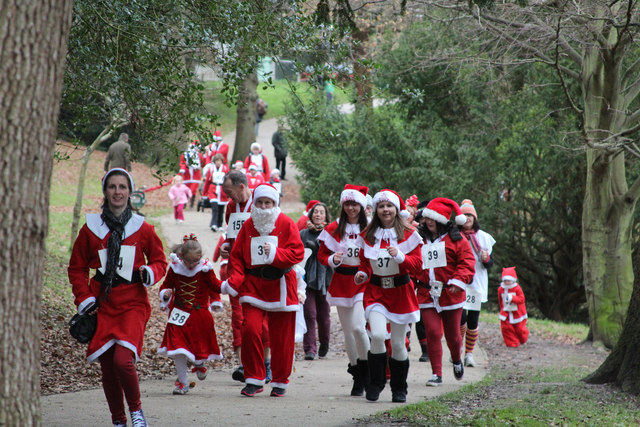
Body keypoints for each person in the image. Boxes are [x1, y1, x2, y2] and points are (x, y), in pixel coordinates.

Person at [68, 168, 167, 427]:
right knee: (108, 367)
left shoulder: (142, 227)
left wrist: (150, 272)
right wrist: (84, 298)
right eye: (112, 187)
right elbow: (77, 268)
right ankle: (118, 419)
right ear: (105, 191)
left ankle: (136, 412)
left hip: (133, 302)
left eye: (122, 187)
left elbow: (159, 261)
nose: (117, 192)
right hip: (101, 303)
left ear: (130, 192)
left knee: (124, 361)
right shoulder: (91, 228)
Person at [221, 183, 305, 397]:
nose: (264, 206)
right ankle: (254, 378)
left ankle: (279, 380)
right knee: (250, 329)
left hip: (281, 286)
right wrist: (235, 280)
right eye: (260, 202)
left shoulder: (286, 223)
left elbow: (297, 253)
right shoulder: (248, 225)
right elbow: (237, 256)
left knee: (281, 338)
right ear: (255, 204)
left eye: (268, 202)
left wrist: (276, 254)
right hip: (253, 287)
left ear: (275, 203)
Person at [354, 189, 423, 403]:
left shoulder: (409, 233)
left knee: (398, 343)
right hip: (376, 292)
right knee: (376, 335)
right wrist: (362, 273)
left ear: (396, 209)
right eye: (381, 206)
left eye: (389, 206)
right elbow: (365, 262)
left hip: (401, 292)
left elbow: (418, 265)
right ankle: (376, 382)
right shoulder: (368, 234)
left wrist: (401, 256)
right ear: (376, 210)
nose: (385, 210)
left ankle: (399, 388)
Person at [317, 184, 371, 396]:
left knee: (359, 327)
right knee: (348, 332)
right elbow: (322, 255)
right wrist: (332, 259)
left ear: (362, 205)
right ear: (342, 205)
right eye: (347, 203)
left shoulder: (371, 229)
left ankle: (368, 371)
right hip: (342, 281)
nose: (351, 208)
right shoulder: (333, 228)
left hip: (364, 281)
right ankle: (357, 376)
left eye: (355, 203)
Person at [415, 198, 475, 387]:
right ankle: (436, 373)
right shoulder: (419, 238)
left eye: (434, 218)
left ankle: (457, 360)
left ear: (443, 220)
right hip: (427, 294)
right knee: (432, 333)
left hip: (451, 294)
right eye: (427, 218)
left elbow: (467, 263)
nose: (429, 222)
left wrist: (458, 280)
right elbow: (412, 261)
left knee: (453, 337)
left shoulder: (457, 240)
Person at [220, 171, 271, 384]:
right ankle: (244, 364)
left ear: (242, 187)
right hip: (236, 269)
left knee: (262, 319)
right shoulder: (231, 207)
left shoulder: (261, 203)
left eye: (230, 192)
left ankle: (266, 363)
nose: (229, 198)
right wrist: (225, 246)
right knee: (238, 317)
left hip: (259, 271)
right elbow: (231, 236)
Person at [158, 235, 223, 395]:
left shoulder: (205, 270)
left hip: (199, 314)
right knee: (177, 348)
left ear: (200, 258)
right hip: (179, 313)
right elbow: (167, 285)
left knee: (197, 347)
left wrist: (231, 284)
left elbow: (215, 286)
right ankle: (182, 382)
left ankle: (199, 363)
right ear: (181, 257)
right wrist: (165, 294)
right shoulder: (175, 268)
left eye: (196, 261)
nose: (192, 265)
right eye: (188, 262)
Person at [458, 199, 495, 367]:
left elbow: (490, 264)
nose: (467, 218)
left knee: (473, 320)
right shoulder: (454, 236)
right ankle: (457, 349)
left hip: (477, 283)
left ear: (474, 218)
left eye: (469, 215)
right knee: (460, 318)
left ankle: (469, 354)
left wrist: (487, 260)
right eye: (464, 215)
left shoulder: (484, 238)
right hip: (459, 281)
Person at [300, 202, 333, 360]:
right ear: (311, 214)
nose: (318, 215)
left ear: (326, 216)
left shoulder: (331, 233)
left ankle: (324, 342)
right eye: (315, 212)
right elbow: (297, 254)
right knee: (310, 315)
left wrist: (320, 249)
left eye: (321, 212)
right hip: (307, 280)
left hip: (326, 280)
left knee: (324, 317)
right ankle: (309, 349)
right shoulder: (303, 233)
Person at [498, 267, 529, 347]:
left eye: (509, 281)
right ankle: (511, 343)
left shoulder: (517, 288)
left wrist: (512, 298)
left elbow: (522, 299)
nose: (507, 283)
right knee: (506, 328)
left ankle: (523, 339)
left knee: (520, 329)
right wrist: (502, 309)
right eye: (505, 281)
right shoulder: (500, 289)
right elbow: (500, 300)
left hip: (517, 313)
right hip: (506, 312)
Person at [202, 154, 229, 231]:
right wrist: (204, 193)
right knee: (215, 207)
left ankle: (219, 224)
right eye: (217, 161)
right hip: (213, 189)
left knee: (221, 208)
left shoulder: (225, 169)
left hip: (222, 191)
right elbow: (207, 181)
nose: (218, 162)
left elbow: (227, 181)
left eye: (220, 161)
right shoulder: (211, 169)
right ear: (214, 161)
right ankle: (213, 224)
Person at [179, 141, 204, 209]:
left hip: (195, 176)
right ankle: (184, 204)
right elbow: (182, 162)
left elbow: (202, 162)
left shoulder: (199, 155)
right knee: (186, 189)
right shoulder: (185, 155)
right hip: (187, 175)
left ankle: (191, 205)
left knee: (193, 190)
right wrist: (183, 168)